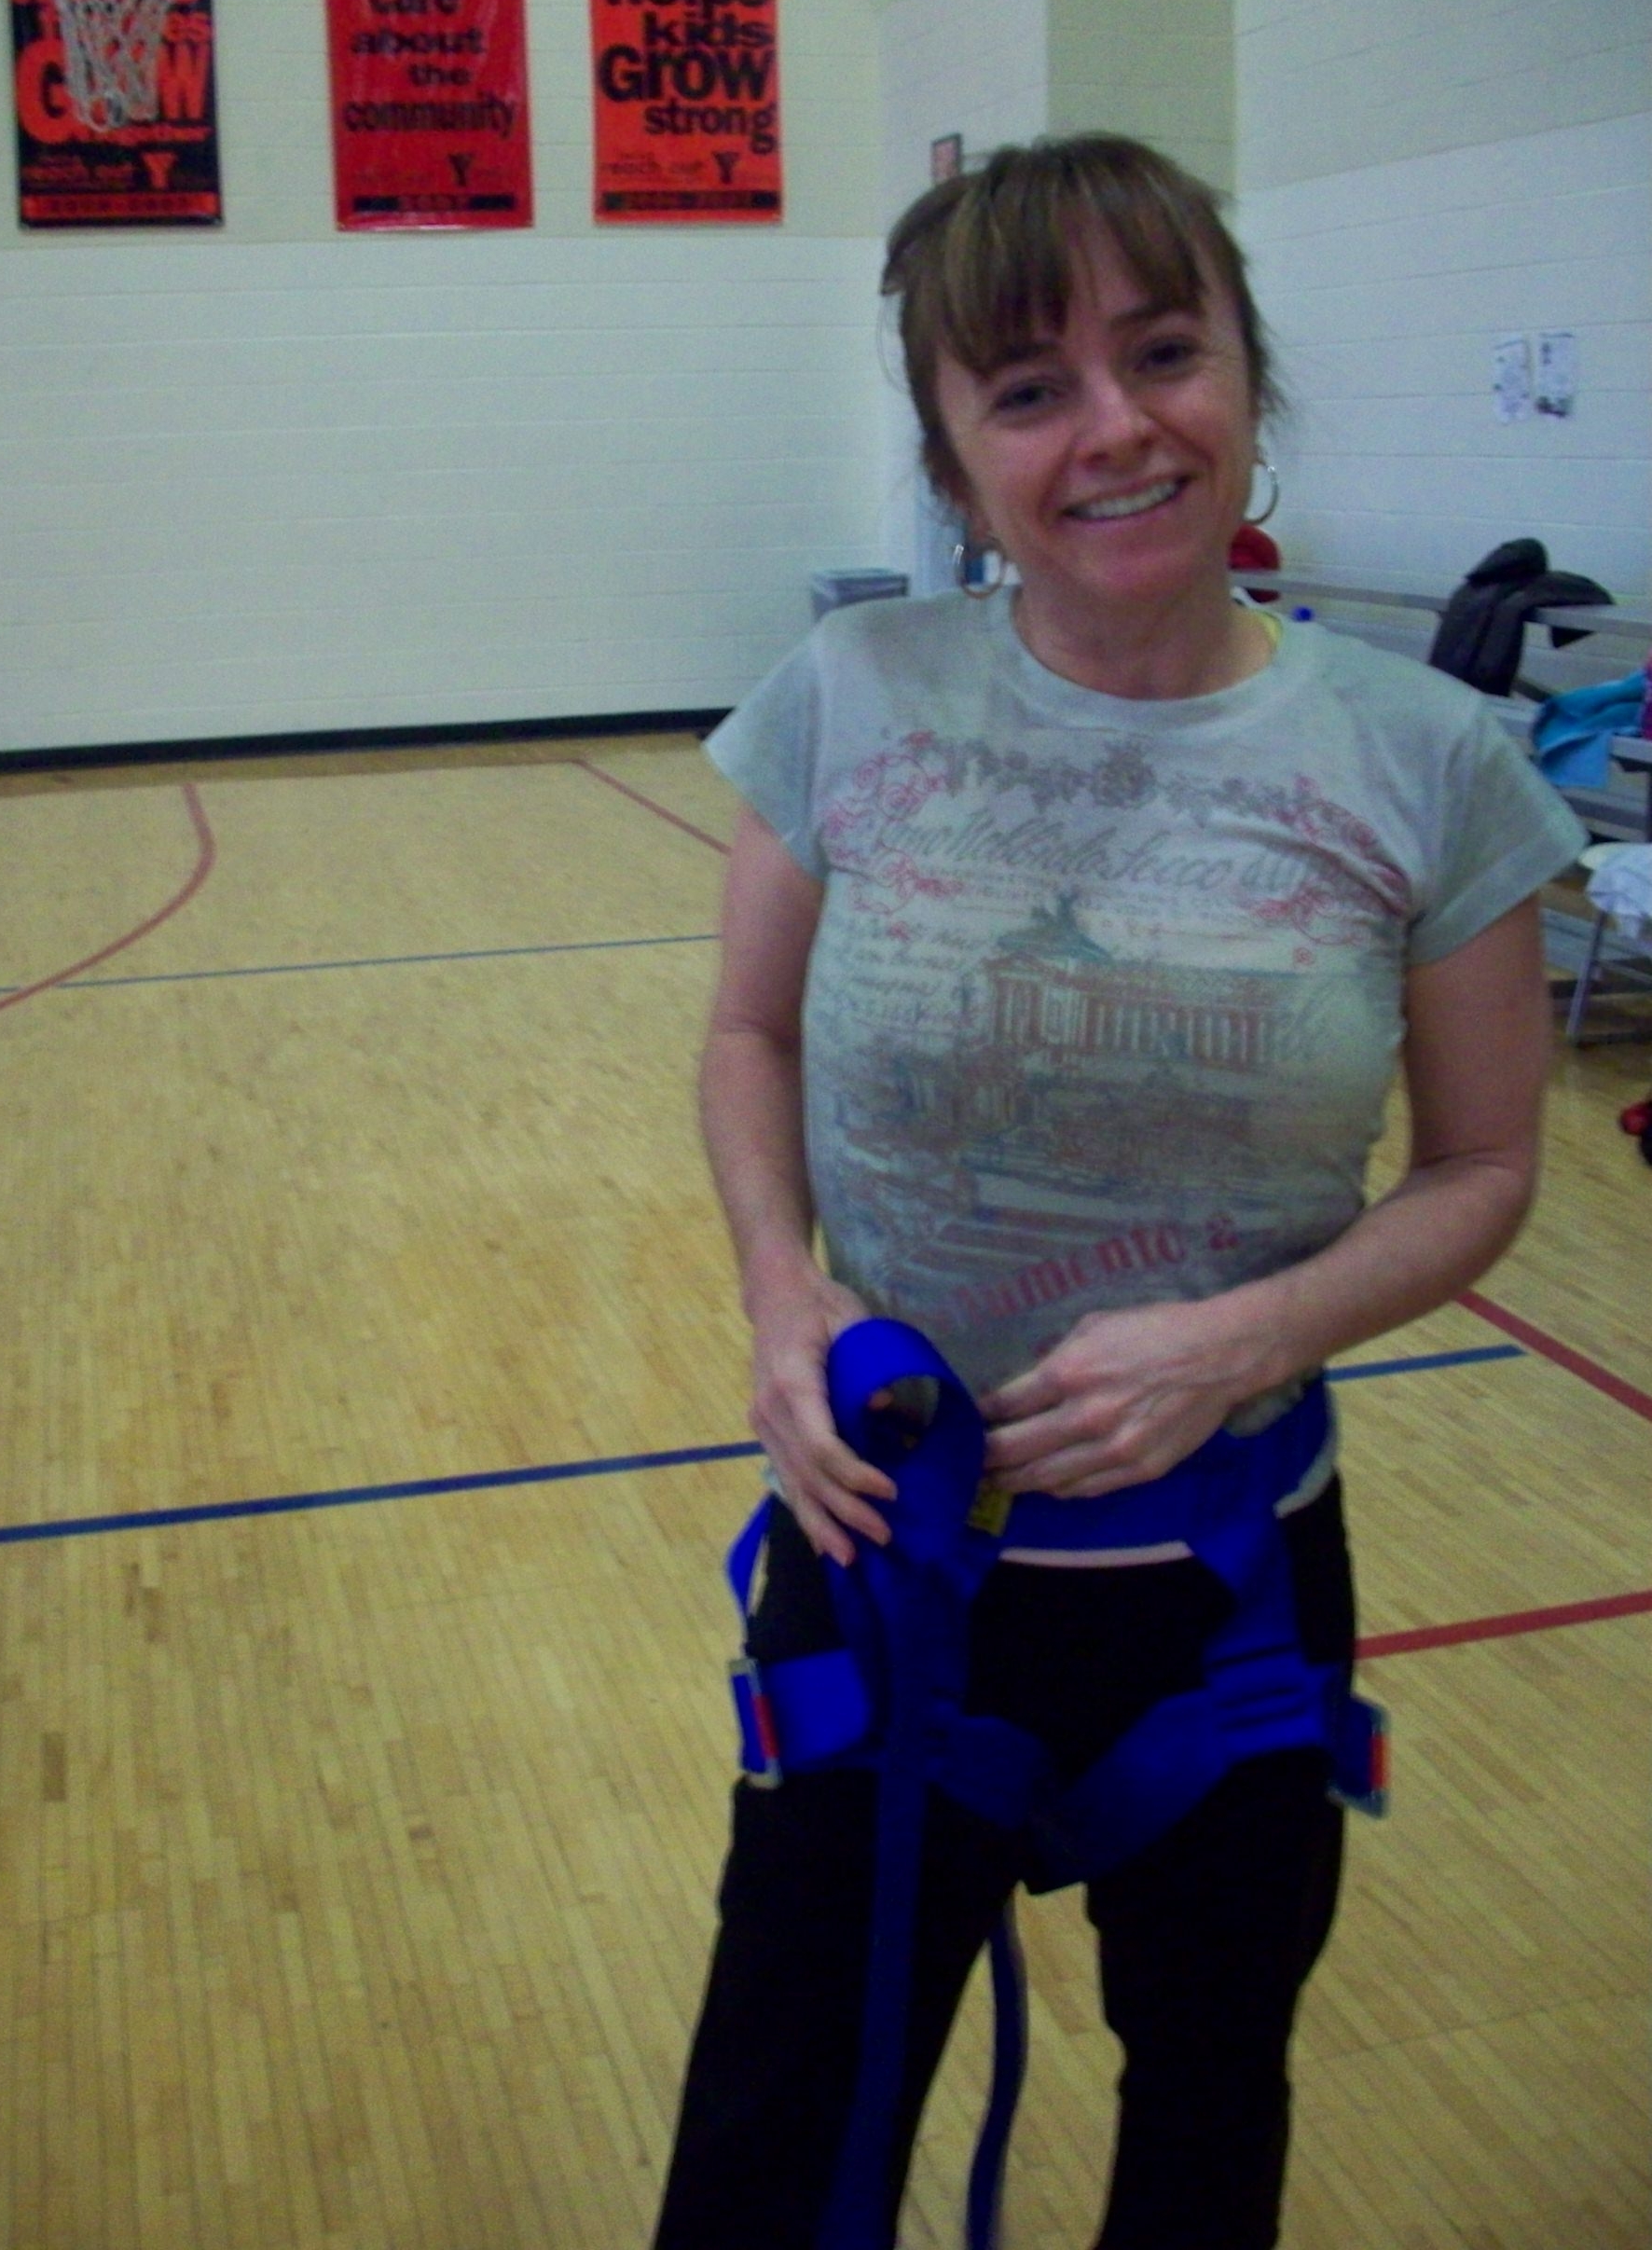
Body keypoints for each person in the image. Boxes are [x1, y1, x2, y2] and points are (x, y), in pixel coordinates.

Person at [651, 133, 1586, 2250]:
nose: (1117, 429)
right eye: (1029, 388)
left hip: (1224, 1594)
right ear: (954, 455)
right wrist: (782, 1297)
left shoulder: (1431, 763)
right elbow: (749, 1037)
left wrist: (1249, 1336)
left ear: (1248, 372)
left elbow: (1484, 1164)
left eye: (1164, 352)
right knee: (775, 2138)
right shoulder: (851, 698)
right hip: (883, 1556)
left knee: (1205, 2127)